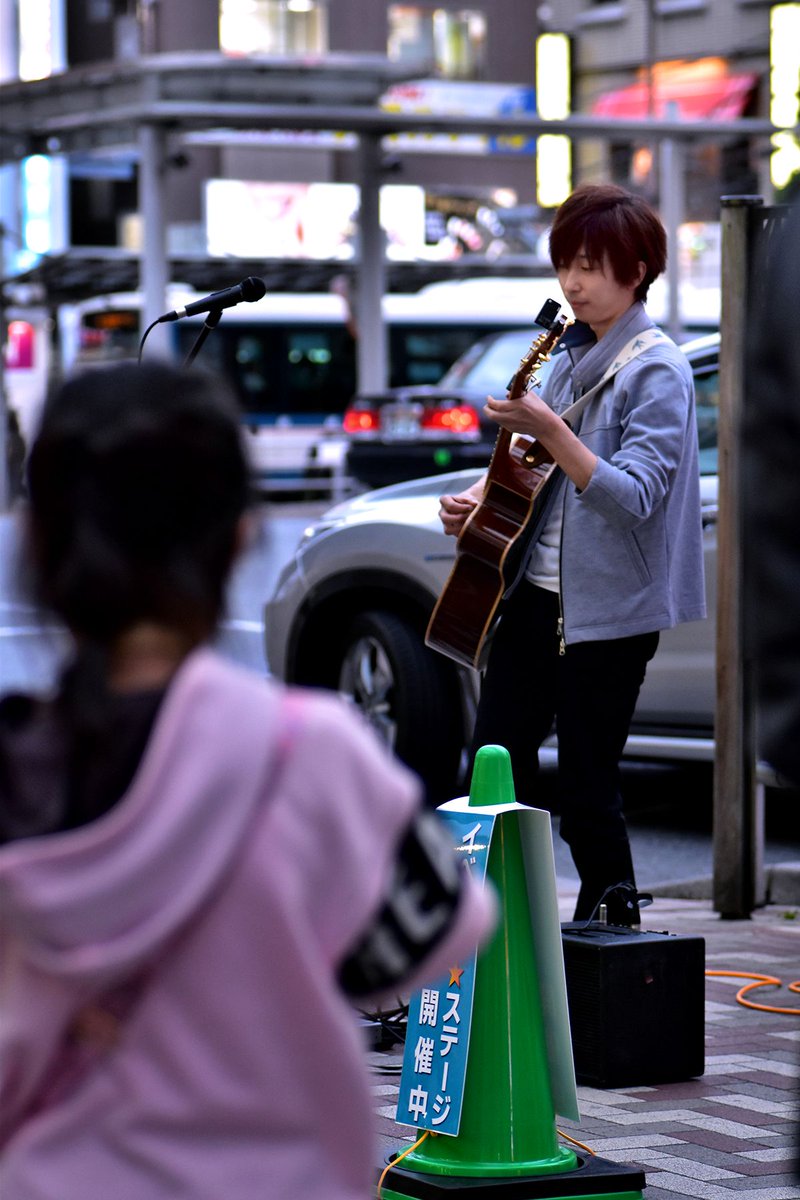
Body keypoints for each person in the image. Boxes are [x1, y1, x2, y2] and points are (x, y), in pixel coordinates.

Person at [0, 361, 495, 1200]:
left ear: (41, 548)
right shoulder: (309, 755)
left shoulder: (18, 775)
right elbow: (430, 946)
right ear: (237, 537)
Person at [438, 183, 706, 927]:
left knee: (589, 787)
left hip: (611, 615)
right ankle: (497, 931)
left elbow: (636, 495)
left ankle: (611, 938)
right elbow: (536, 462)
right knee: (494, 765)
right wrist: (479, 500)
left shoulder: (659, 370)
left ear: (639, 269)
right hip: (535, 598)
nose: (574, 283)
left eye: (592, 265)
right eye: (566, 264)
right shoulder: (568, 351)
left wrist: (552, 429)